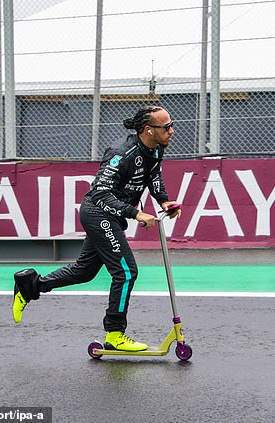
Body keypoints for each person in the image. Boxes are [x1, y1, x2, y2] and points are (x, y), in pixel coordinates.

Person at [12, 105, 181, 351]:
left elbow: (153, 178)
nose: (172, 131)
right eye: (166, 127)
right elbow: (100, 193)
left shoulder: (155, 151)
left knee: (84, 272)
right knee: (125, 272)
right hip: (98, 213)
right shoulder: (121, 153)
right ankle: (114, 335)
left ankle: (31, 286)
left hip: (111, 217)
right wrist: (135, 213)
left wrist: (164, 200)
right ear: (148, 130)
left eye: (171, 125)